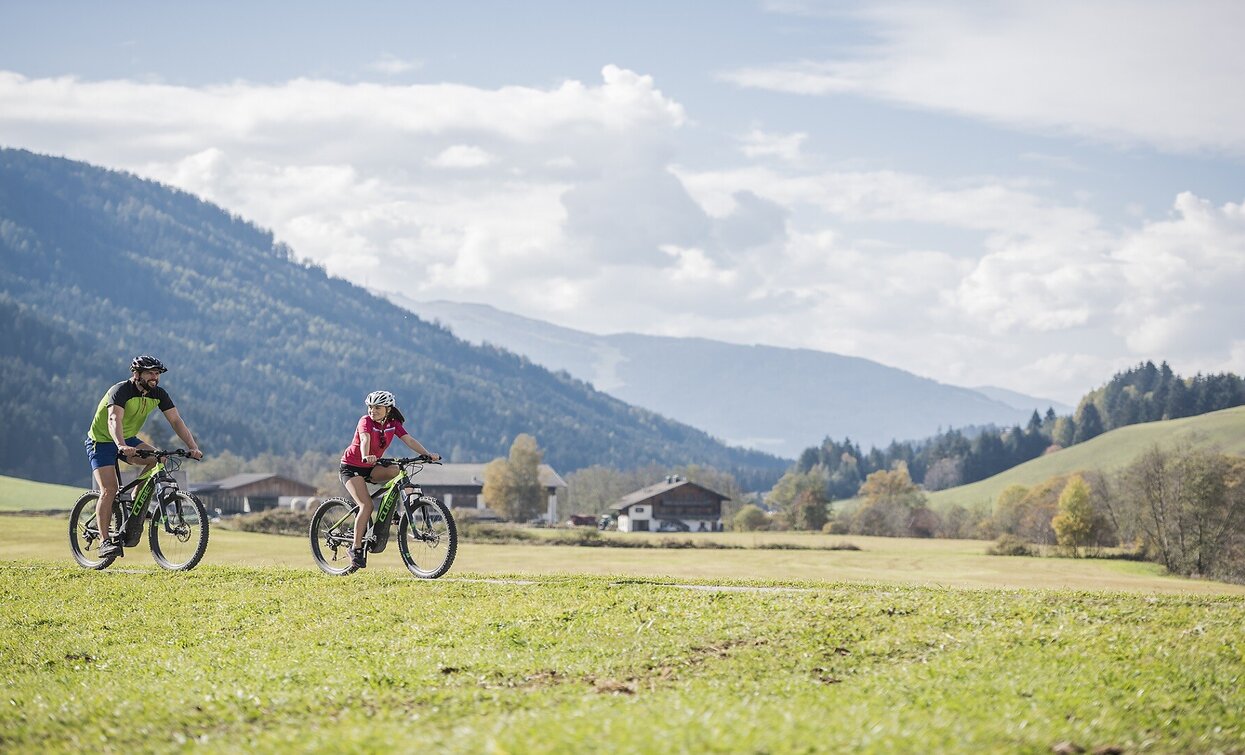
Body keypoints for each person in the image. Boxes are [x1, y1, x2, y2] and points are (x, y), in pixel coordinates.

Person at [85, 355, 203, 558]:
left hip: (128, 439)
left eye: (157, 373)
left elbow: (176, 421)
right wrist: (120, 445)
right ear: (137, 374)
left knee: (159, 458)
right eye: (150, 373)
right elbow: (114, 419)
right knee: (109, 490)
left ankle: (134, 500)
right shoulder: (121, 390)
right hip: (102, 441)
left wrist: (192, 447)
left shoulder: (158, 394)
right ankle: (104, 542)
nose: (155, 377)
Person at [339, 390, 440, 570]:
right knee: (366, 506)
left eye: (377, 407)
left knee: (397, 471)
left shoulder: (393, 424)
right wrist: (366, 455)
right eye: (370, 407)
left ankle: (394, 511)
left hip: (372, 466)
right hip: (352, 467)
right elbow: (365, 438)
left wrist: (426, 454)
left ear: (388, 409)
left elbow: (409, 440)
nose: (372, 411)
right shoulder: (365, 421)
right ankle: (355, 548)